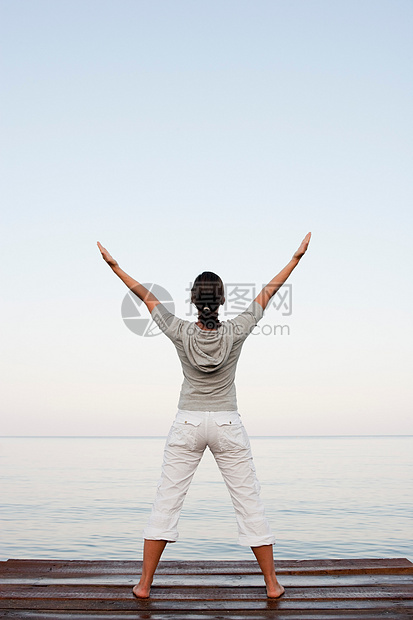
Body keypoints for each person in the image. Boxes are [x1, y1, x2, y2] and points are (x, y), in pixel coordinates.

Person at [97, 232, 311, 599]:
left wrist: (115, 267)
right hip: (227, 423)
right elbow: (268, 293)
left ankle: (145, 585)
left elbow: (146, 297)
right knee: (249, 503)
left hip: (187, 423)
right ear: (223, 300)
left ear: (194, 302)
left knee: (166, 500)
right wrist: (296, 258)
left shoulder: (180, 331)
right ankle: (272, 585)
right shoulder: (237, 330)